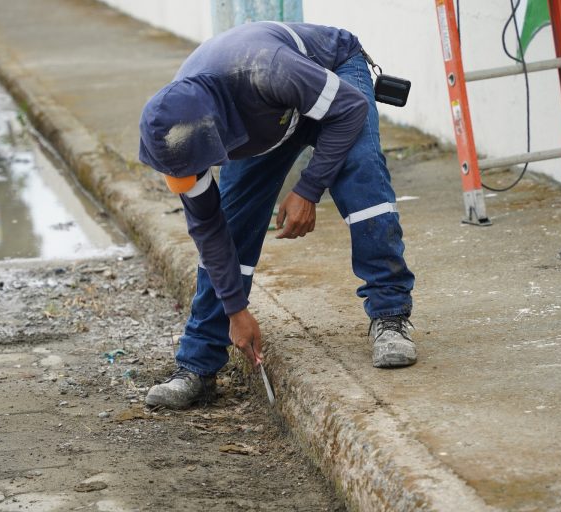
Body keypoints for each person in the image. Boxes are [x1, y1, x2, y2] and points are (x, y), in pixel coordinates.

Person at [139, 21, 416, 409]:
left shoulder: (265, 69)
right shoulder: (178, 129)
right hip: (269, 119)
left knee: (362, 177)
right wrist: (236, 310)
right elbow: (209, 228)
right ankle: (198, 364)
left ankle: (390, 315)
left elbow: (349, 109)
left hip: (331, 78)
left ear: (213, 133)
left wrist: (308, 188)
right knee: (232, 228)